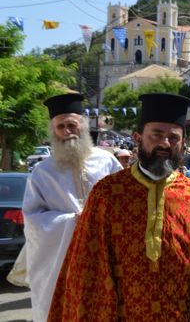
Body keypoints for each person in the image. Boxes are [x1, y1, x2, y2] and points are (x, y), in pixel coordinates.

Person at [47, 93, 190, 321]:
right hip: (123, 313)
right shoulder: (108, 192)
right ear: (138, 137)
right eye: (156, 135)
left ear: (183, 143)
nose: (165, 143)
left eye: (173, 137)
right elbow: (87, 265)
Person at [23, 93, 122, 322]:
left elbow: (124, 200)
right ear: (53, 130)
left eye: (72, 125)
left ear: (83, 126)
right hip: (61, 261)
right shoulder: (42, 173)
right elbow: (32, 220)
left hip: (105, 254)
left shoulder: (106, 162)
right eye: (61, 126)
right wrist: (71, 221)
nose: (67, 131)